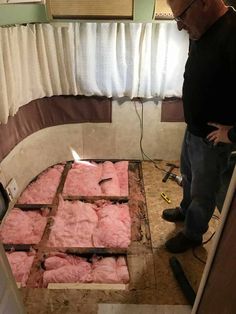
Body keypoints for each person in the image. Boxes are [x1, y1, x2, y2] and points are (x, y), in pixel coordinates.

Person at [162, 0, 236, 253]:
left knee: (203, 192)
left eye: (181, 17)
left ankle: (193, 234)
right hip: (193, 128)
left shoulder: (232, 35)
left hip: (213, 139)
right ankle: (185, 210)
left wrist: (232, 133)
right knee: (188, 176)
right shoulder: (200, 30)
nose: (180, 27)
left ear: (204, 3)